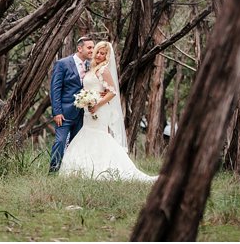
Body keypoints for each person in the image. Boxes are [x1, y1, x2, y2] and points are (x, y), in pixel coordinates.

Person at [59, 41, 158, 182]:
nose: (99, 55)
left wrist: (97, 104)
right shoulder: (91, 69)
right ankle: (85, 168)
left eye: (102, 53)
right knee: (87, 134)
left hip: (99, 110)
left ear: (107, 56)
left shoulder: (103, 70)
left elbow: (112, 92)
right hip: (88, 109)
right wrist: (85, 100)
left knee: (99, 136)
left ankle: (106, 167)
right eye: (97, 52)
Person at [48, 36, 95, 173]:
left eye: (93, 47)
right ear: (80, 48)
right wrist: (57, 112)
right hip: (64, 113)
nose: (92, 50)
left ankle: (71, 172)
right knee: (60, 141)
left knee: (76, 144)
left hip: (82, 114)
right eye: (89, 47)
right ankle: (53, 171)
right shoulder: (62, 64)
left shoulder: (89, 66)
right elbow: (55, 89)